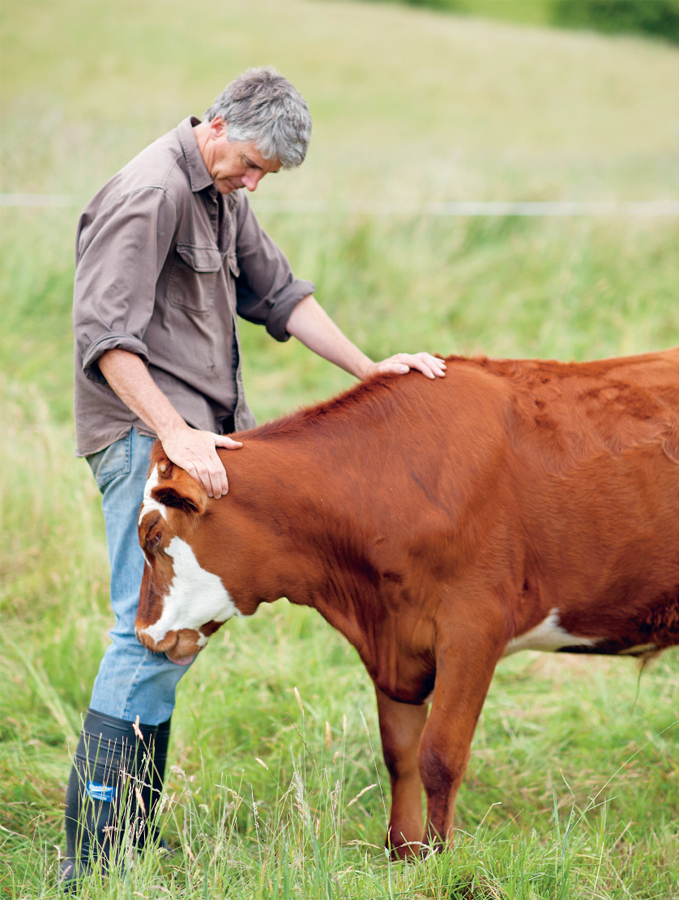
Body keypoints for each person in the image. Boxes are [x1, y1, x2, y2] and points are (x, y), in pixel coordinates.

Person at [64, 66, 445, 885]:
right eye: (252, 165)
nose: (255, 182)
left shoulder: (221, 194)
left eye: (267, 174)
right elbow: (104, 337)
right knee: (147, 631)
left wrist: (374, 373)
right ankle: (90, 859)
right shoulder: (152, 192)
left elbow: (281, 296)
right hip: (144, 440)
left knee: (173, 641)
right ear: (220, 125)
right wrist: (174, 431)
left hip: (188, 442)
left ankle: (128, 836)